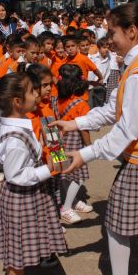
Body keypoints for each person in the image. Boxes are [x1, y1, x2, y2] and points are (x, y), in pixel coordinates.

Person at [53, 3, 138, 275]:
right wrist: (75, 123)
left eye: (112, 32)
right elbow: (112, 109)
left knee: (117, 227)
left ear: (131, 31)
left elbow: (125, 132)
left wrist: (84, 154)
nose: (108, 39)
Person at [0, 73, 66, 275]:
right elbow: (16, 175)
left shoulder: (15, 125)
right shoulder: (14, 139)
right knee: (18, 247)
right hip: (20, 196)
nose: (37, 95)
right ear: (16, 101)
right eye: (32, 92)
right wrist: (49, 169)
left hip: (24, 195)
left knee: (21, 243)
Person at [53, 64, 93, 224]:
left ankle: (73, 201)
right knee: (78, 176)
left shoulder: (55, 99)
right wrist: (90, 146)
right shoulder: (81, 104)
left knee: (63, 173)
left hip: (56, 140)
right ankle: (67, 207)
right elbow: (84, 129)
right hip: (74, 143)